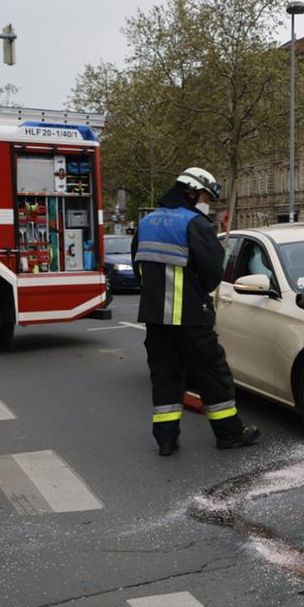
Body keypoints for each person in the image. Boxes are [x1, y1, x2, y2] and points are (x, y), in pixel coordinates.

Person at [132, 167, 259, 456]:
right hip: (190, 316)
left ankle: (166, 439)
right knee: (213, 374)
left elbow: (139, 267)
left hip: (154, 317)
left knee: (165, 375)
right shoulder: (195, 224)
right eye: (205, 196)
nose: (207, 203)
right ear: (191, 192)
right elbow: (213, 273)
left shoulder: (147, 222)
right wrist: (195, 292)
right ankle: (229, 433)